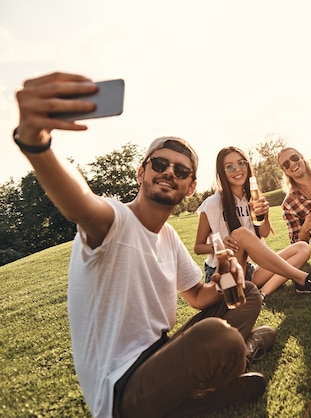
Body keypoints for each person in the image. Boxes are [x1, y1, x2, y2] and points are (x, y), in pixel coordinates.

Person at [13, 72, 277, 418]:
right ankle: (226, 369)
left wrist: (227, 278)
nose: (169, 172)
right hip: (121, 392)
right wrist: (37, 143)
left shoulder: (166, 236)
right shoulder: (112, 219)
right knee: (220, 339)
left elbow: (197, 296)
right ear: (142, 172)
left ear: (190, 185)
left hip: (158, 356)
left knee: (251, 297)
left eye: (181, 171)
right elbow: (77, 200)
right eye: (159, 164)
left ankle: (218, 376)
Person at [194, 146, 311, 295]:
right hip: (222, 278)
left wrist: (265, 215)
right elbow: (198, 247)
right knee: (241, 234)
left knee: (302, 248)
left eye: (241, 163)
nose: (237, 169)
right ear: (222, 172)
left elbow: (264, 233)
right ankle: (304, 279)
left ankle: (263, 293)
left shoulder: (252, 198)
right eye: (229, 167)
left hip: (247, 271)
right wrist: (220, 246)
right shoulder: (212, 203)